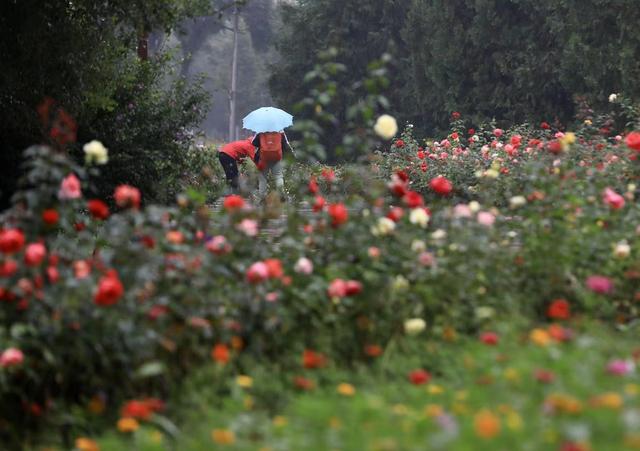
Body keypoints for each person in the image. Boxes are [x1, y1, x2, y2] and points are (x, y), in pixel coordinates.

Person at [252, 131, 293, 198]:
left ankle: (262, 197)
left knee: (263, 178)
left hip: (263, 158)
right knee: (278, 176)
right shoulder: (280, 130)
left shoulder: (260, 130)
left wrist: (264, 143)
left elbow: (254, 142)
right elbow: (285, 144)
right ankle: (281, 195)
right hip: (276, 157)